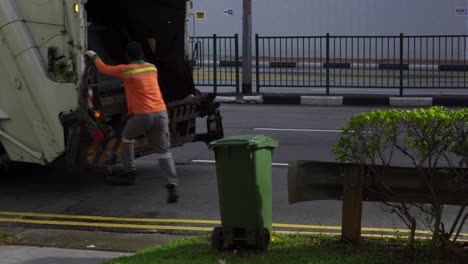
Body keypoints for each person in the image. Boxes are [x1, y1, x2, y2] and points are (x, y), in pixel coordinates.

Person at [85, 42, 179, 203]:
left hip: (143, 115)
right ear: (142, 54)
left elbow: (103, 68)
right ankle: (172, 185)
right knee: (164, 151)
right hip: (161, 113)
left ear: (128, 57)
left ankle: (130, 173)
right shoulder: (152, 68)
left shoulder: (127, 70)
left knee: (127, 138)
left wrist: (92, 53)